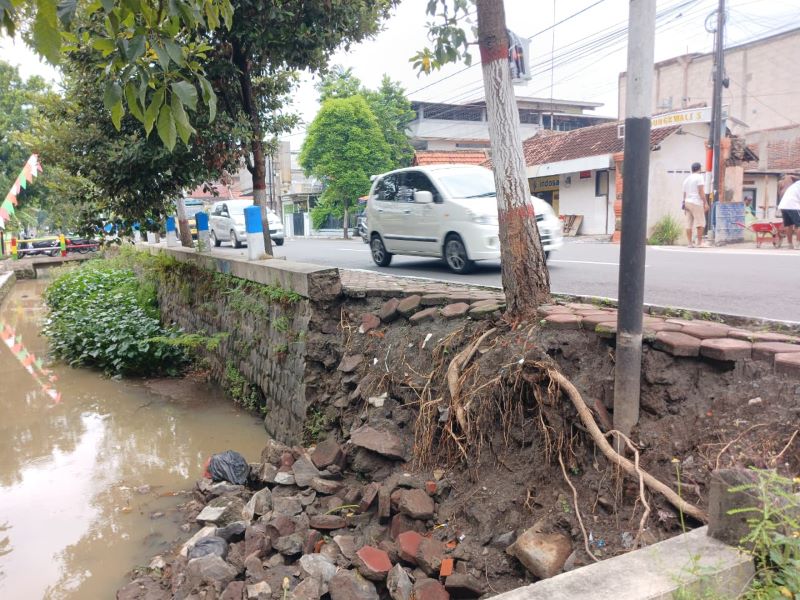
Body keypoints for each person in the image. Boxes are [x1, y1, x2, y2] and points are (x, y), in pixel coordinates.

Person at [682, 162, 708, 247]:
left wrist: (683, 204)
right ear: (699, 169)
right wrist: (705, 203)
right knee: (700, 222)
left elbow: (684, 193)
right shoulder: (699, 177)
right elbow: (701, 191)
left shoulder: (687, 179)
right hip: (696, 202)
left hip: (687, 202)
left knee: (688, 223)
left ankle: (690, 243)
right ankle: (699, 243)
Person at [777, 174, 800, 249]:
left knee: (788, 225)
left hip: (784, 205)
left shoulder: (795, 185)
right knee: (798, 225)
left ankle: (790, 244)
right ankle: (798, 244)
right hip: (792, 205)